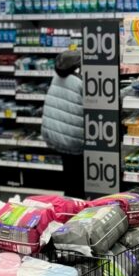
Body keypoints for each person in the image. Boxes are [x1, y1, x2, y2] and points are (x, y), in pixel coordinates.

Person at [41, 49, 85, 198]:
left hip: (58, 136)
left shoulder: (57, 78)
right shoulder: (79, 81)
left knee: (70, 178)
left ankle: (68, 205)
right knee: (79, 181)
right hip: (74, 139)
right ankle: (77, 206)